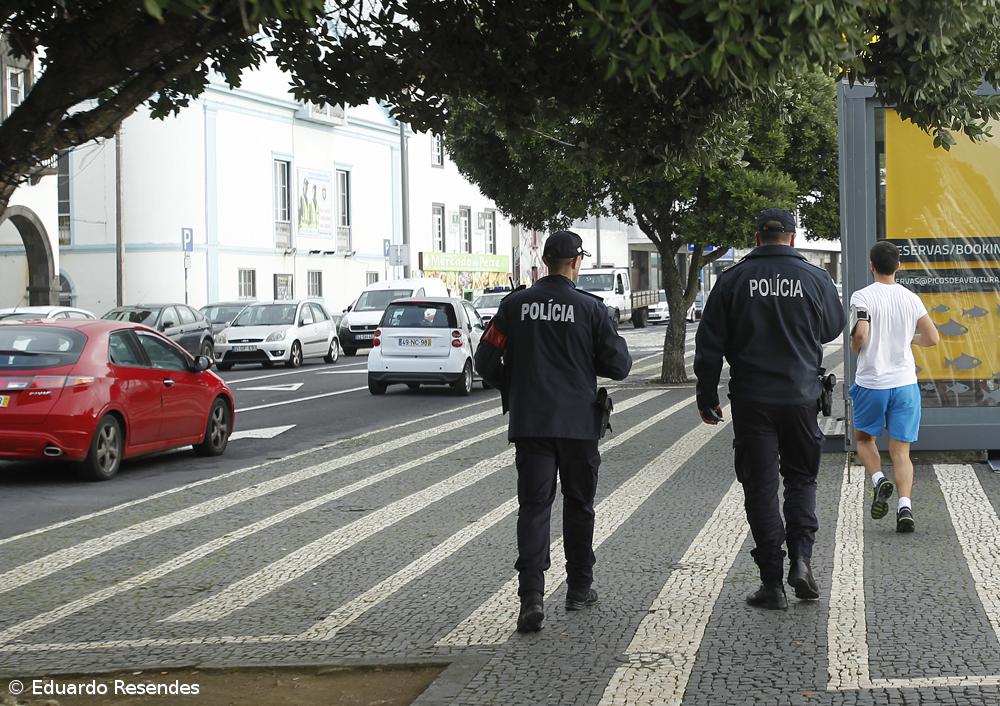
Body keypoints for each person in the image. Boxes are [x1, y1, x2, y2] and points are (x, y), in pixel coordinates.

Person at [474, 230, 632, 633]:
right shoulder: (592, 310)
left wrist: (514, 386)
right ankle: (579, 587)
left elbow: (485, 359)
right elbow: (619, 366)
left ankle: (531, 598)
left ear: (544, 261)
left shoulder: (514, 307)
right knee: (579, 506)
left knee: (534, 508)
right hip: (579, 425)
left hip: (531, 424)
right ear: (576, 263)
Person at [694, 208, 845, 610]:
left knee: (759, 487)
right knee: (801, 480)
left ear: (757, 237)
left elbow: (709, 346)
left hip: (752, 399)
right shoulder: (815, 278)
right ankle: (801, 559)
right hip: (800, 396)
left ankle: (771, 583)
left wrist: (706, 395)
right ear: (792, 238)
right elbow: (832, 327)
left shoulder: (731, 280)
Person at [849, 241, 939, 533]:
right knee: (901, 451)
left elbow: (861, 333)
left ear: (872, 266)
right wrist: (908, 339)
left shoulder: (862, 296)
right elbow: (933, 338)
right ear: (898, 266)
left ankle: (878, 480)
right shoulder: (911, 298)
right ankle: (904, 507)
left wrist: (854, 345)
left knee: (864, 440)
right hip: (904, 385)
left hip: (871, 383)